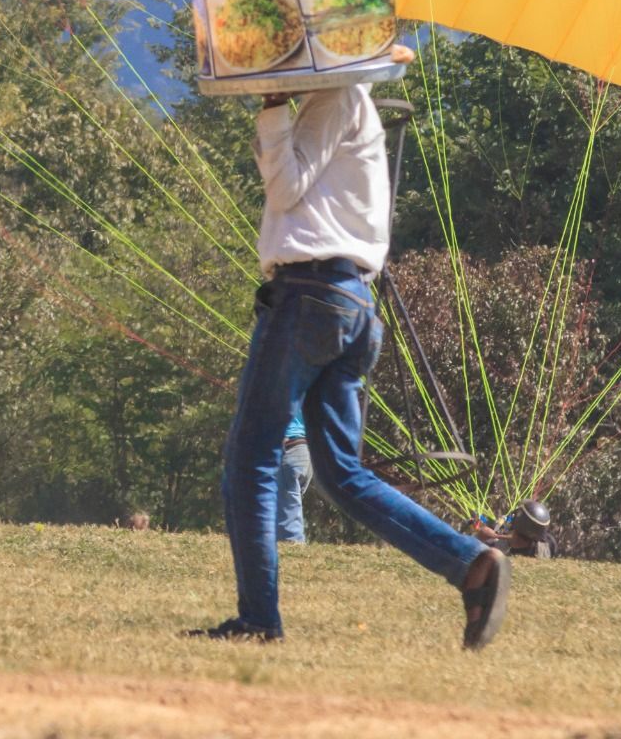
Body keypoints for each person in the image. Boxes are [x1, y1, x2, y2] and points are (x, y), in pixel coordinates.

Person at [191, 76, 510, 649]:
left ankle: (259, 618)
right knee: (341, 473)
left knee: (251, 457)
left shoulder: (333, 99)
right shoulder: (350, 103)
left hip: (308, 295)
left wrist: (269, 108)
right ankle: (472, 564)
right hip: (354, 302)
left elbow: (286, 189)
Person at [275, 402, 312, 543]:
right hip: (306, 453)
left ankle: (293, 549)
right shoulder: (303, 387)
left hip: (289, 449)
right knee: (288, 507)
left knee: (288, 517)